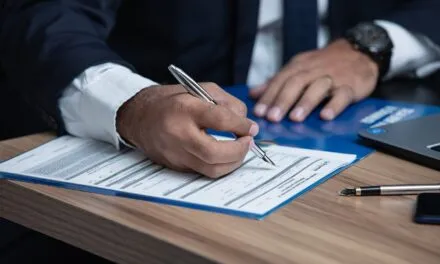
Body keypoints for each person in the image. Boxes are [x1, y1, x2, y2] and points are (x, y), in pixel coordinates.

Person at [1, 0, 440, 178]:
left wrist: (377, 44)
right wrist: (131, 104)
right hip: (159, 142)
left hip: (371, 114)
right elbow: (46, 17)